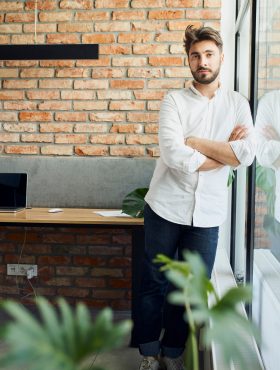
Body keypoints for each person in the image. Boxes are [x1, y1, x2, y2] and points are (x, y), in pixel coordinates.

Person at [136, 25, 256, 370]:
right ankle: (147, 353)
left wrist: (198, 142)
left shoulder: (237, 104)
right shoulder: (173, 100)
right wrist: (225, 154)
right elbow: (176, 157)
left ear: (221, 57)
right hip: (165, 207)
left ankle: (172, 354)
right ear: (188, 60)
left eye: (208, 54)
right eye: (195, 55)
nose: (202, 61)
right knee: (154, 281)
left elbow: (245, 155)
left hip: (207, 216)